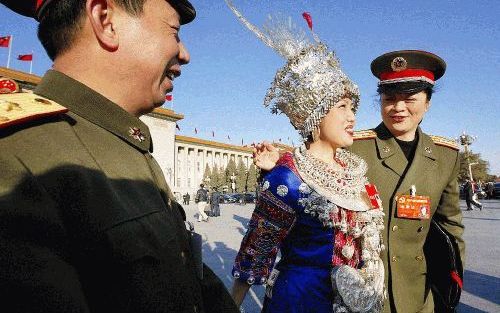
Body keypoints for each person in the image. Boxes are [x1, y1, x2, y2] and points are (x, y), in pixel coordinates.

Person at [0, 1, 239, 312]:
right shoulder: (18, 158)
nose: (184, 54)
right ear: (105, 20)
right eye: (174, 32)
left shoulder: (123, 142)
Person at [254, 50, 466, 312]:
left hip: (418, 296)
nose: (398, 108)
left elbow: (451, 229)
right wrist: (274, 168)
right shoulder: (354, 149)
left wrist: (450, 286)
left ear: (427, 102)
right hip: (357, 296)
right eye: (389, 99)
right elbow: (304, 173)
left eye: (409, 99)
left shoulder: (446, 156)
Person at [226, 2, 385, 312]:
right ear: (316, 116)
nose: (352, 117)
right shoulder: (288, 176)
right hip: (301, 302)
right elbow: (255, 253)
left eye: (353, 108)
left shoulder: (353, 170)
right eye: (342, 107)